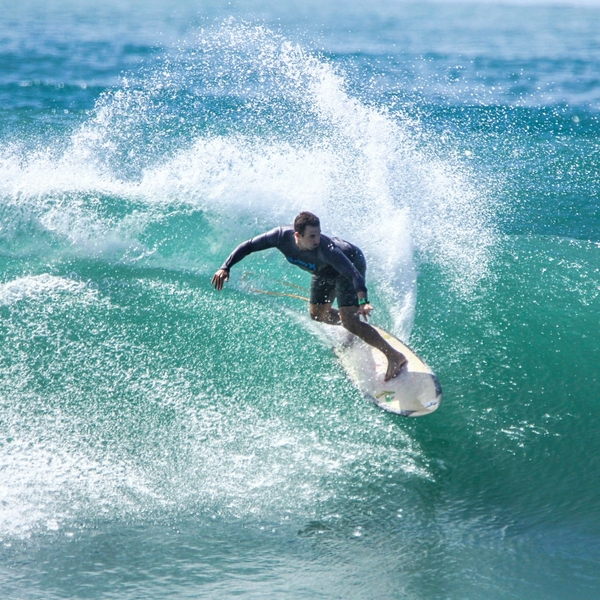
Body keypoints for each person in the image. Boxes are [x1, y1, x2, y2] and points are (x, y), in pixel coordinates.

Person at [211, 211, 407, 381]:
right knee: (317, 315)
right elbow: (248, 245)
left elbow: (353, 274)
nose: (317, 240)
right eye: (312, 236)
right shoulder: (279, 236)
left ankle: (394, 356)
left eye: (319, 234)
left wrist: (363, 302)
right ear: (298, 235)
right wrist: (225, 267)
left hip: (349, 264)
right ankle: (351, 323)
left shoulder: (328, 250)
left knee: (350, 322)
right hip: (322, 272)